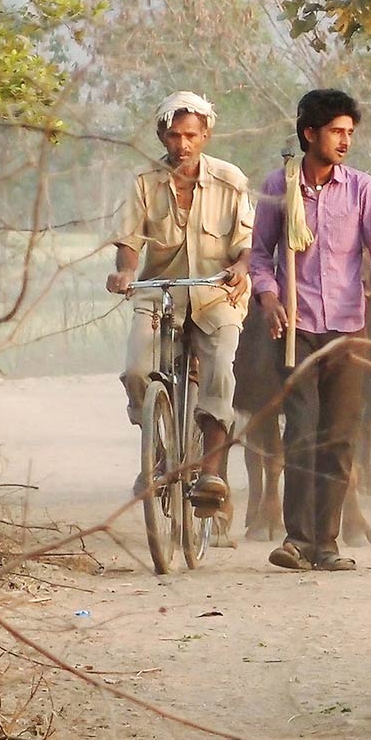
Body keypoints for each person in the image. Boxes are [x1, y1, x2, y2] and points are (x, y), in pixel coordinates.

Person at [249, 89, 371, 572]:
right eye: (337, 132)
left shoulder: (361, 189)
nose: (345, 141)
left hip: (347, 329)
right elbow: (259, 255)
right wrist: (269, 297)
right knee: (300, 431)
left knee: (339, 436)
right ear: (309, 133)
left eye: (350, 133)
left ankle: (327, 543)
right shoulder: (280, 186)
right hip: (297, 327)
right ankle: (297, 539)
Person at [107, 90, 253, 520]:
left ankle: (210, 472)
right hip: (159, 291)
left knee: (221, 369)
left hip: (216, 293)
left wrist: (242, 267)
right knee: (137, 369)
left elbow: (246, 244)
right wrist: (126, 272)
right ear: (161, 135)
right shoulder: (142, 182)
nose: (182, 144)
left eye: (191, 135)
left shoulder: (231, 180)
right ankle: (157, 449)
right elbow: (130, 243)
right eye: (174, 135)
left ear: (206, 135)